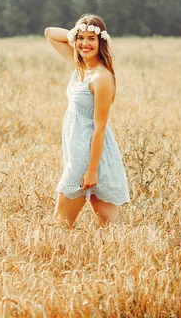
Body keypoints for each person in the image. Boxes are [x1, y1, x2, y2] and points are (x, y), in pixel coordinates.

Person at [44, 14, 130, 228]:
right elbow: (50, 33)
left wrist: (91, 170)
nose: (84, 43)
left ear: (102, 41)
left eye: (92, 38)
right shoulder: (81, 67)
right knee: (113, 229)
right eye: (80, 38)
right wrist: (77, 35)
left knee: (60, 225)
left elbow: (100, 127)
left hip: (86, 157)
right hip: (78, 151)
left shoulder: (101, 77)